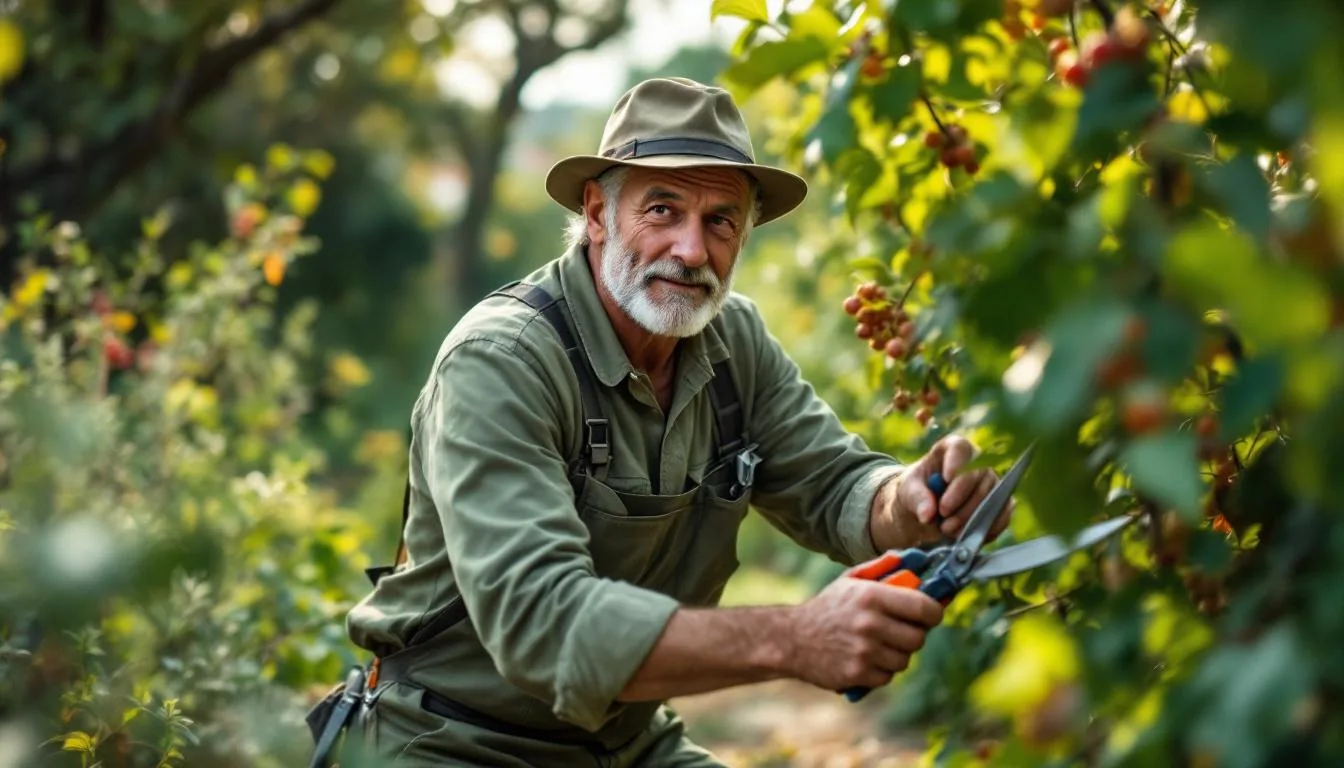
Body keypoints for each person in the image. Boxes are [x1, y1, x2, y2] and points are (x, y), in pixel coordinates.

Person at [343, 77, 1010, 767]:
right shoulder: (502, 361)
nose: (692, 251)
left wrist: (915, 498)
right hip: (455, 740)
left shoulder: (732, 342)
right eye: (663, 210)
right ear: (598, 213)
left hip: (624, 743)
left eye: (721, 220)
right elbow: (543, 625)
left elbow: (837, 485)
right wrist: (796, 637)